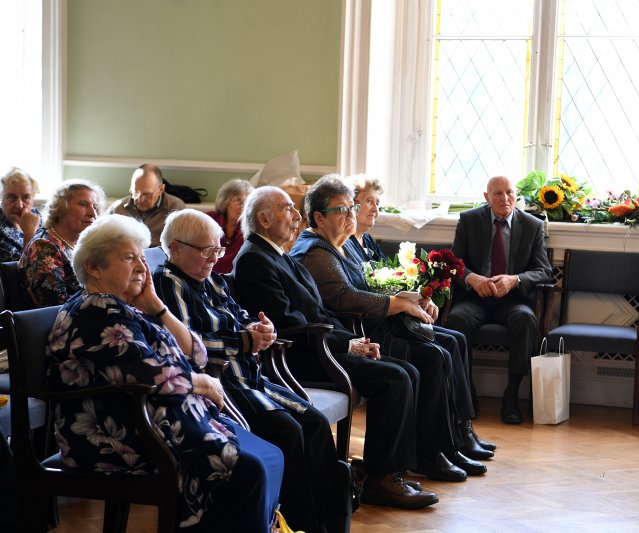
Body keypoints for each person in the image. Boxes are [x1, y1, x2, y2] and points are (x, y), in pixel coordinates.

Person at [47, 214, 284, 532]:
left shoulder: (124, 306)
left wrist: (156, 305)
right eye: (129, 258)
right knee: (248, 469)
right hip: (117, 433)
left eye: (141, 257)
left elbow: (197, 352)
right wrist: (200, 383)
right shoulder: (95, 311)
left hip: (154, 421)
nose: (141, 267)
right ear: (94, 267)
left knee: (269, 455)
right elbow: (150, 375)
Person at [231, 185, 439, 510]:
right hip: (299, 357)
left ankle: (390, 472)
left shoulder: (278, 254)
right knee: (395, 378)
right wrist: (349, 344)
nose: (296, 215)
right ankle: (382, 480)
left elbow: (321, 313)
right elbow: (289, 322)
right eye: (288, 208)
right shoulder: (255, 260)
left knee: (407, 371)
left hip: (320, 346)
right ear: (264, 218)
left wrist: (354, 342)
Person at [153, 209, 348, 532]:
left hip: (252, 378)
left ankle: (330, 521)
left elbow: (240, 315)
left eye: (217, 249)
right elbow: (188, 345)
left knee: (313, 422)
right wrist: (244, 341)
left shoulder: (213, 279)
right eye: (206, 250)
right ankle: (294, 523)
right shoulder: (169, 283)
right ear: (175, 248)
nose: (214, 258)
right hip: (221, 387)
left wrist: (261, 328)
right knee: (288, 431)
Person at [291, 175, 489, 475]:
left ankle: (447, 443)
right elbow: (344, 297)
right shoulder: (316, 252)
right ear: (318, 217)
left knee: (445, 346)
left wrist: (413, 297)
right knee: (434, 356)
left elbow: (370, 288)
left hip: (370, 329)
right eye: (343, 210)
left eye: (350, 208)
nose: (351, 215)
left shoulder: (337, 245)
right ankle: (429, 453)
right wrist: (398, 304)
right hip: (357, 336)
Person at [347, 175, 496, 456]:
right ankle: (441, 444)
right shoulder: (347, 245)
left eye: (377, 203)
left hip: (392, 317)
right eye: (368, 201)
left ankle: (461, 429)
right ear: (350, 204)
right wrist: (408, 303)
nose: (375, 209)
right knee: (441, 351)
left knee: (456, 340)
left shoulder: (367, 240)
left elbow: (390, 281)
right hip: (377, 326)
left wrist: (423, 298)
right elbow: (367, 292)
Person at [446, 175, 553, 424]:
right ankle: (466, 391)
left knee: (526, 320)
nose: (505, 199)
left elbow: (544, 270)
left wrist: (514, 280)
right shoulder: (469, 220)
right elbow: (453, 263)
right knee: (456, 319)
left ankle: (511, 396)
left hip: (512, 299)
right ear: (486, 197)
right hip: (476, 298)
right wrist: (473, 279)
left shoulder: (532, 225)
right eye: (498, 193)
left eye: (509, 192)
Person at [19, 179, 105, 308]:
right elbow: (56, 306)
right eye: (83, 204)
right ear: (60, 208)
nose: (93, 213)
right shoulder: (43, 247)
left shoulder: (82, 245)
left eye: (95, 207)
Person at [107, 164, 186, 247]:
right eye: (136, 193)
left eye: (147, 194)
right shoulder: (118, 208)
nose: (140, 199)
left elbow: (181, 247)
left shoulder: (176, 208)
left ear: (161, 189)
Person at [205, 178, 252, 274]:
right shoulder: (208, 220)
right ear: (225, 202)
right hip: (205, 277)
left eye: (247, 202)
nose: (243, 205)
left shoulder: (252, 228)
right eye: (238, 200)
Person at [0, 167, 41, 262]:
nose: (19, 205)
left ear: (33, 198)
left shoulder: (35, 216)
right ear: (2, 198)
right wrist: (29, 234)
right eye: (12, 197)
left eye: (26, 197)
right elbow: (23, 272)